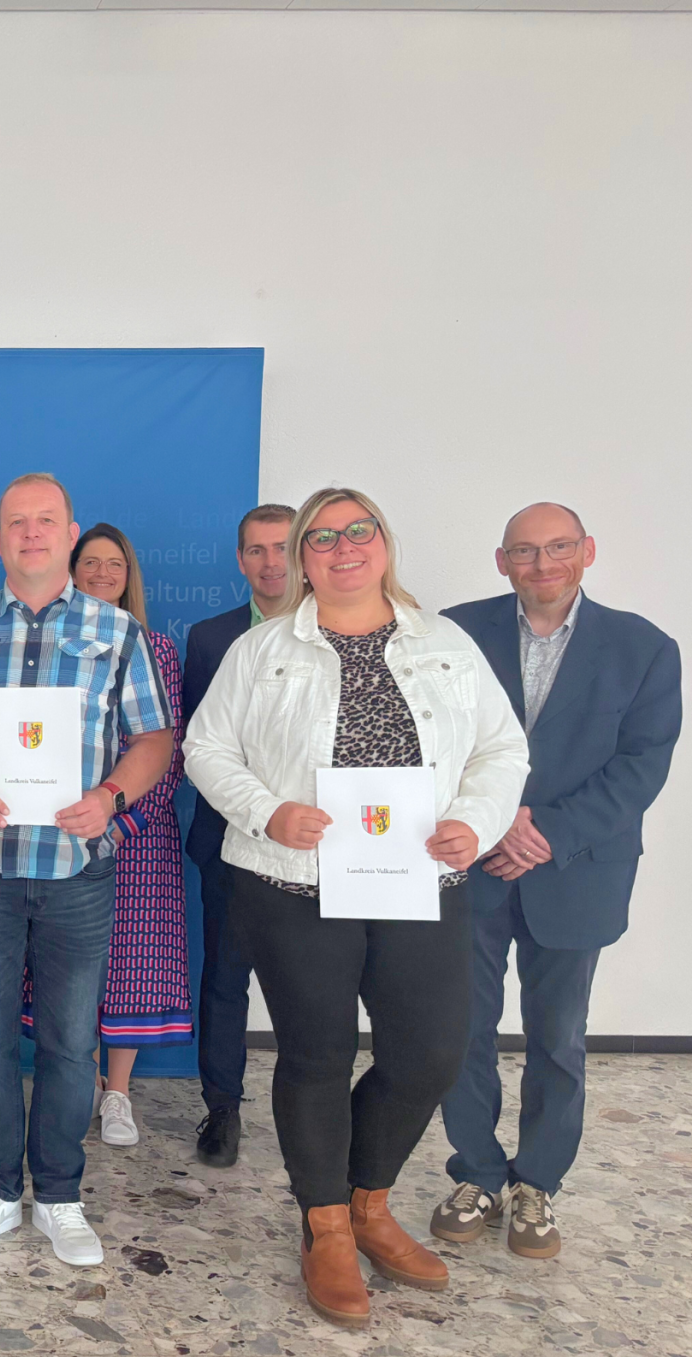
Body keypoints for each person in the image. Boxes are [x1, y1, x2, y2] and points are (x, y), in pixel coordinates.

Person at [183, 487, 528, 1330]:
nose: (343, 547)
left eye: (358, 531)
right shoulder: (262, 650)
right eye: (322, 537)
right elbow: (205, 747)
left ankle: (370, 1202)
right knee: (316, 1055)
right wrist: (268, 810)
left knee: (430, 1053)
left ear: (384, 542)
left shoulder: (444, 642)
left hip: (420, 883)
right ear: (301, 558)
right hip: (293, 886)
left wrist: (474, 822)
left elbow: (501, 747)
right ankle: (327, 1222)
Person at [0, 472, 175, 1265]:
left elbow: (154, 739)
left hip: (78, 869)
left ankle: (58, 1193)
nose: (30, 533)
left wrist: (111, 796)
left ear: (69, 532)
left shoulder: (115, 632)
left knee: (66, 1042)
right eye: (16, 522)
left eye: (45, 521)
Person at [433, 503, 680, 1259]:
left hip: (575, 870)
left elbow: (643, 762)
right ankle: (475, 1170)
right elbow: (429, 739)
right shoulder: (453, 631)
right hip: (471, 860)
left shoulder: (644, 647)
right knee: (461, 1029)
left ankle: (538, 1181)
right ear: (502, 560)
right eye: (526, 551)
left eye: (559, 548)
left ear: (588, 552)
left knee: (560, 1038)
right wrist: (494, 819)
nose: (544, 564)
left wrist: (548, 834)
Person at [180, 503, 296, 1167]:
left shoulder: (341, 628)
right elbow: (201, 745)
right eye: (256, 550)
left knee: (311, 981)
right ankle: (222, 1105)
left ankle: (310, 1107)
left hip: (319, 843)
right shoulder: (210, 637)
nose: (270, 562)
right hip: (227, 839)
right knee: (225, 976)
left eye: (282, 547)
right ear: (240, 559)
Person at [68, 523, 190, 1148]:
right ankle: (80, 1080)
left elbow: (168, 752)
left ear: (128, 575)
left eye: (113, 564)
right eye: (89, 562)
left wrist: (123, 820)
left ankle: (117, 1093)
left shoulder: (158, 651)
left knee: (131, 963)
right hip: (64, 830)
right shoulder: (54, 643)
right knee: (73, 962)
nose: (101, 573)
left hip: (139, 836)